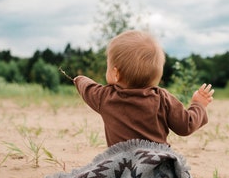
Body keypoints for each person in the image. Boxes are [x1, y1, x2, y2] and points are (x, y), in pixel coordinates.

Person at [72, 30, 214, 147]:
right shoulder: (162, 99)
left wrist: (79, 79)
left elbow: (87, 88)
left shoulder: (104, 97)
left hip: (120, 169)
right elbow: (186, 125)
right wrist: (198, 105)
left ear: (115, 73)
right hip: (158, 167)